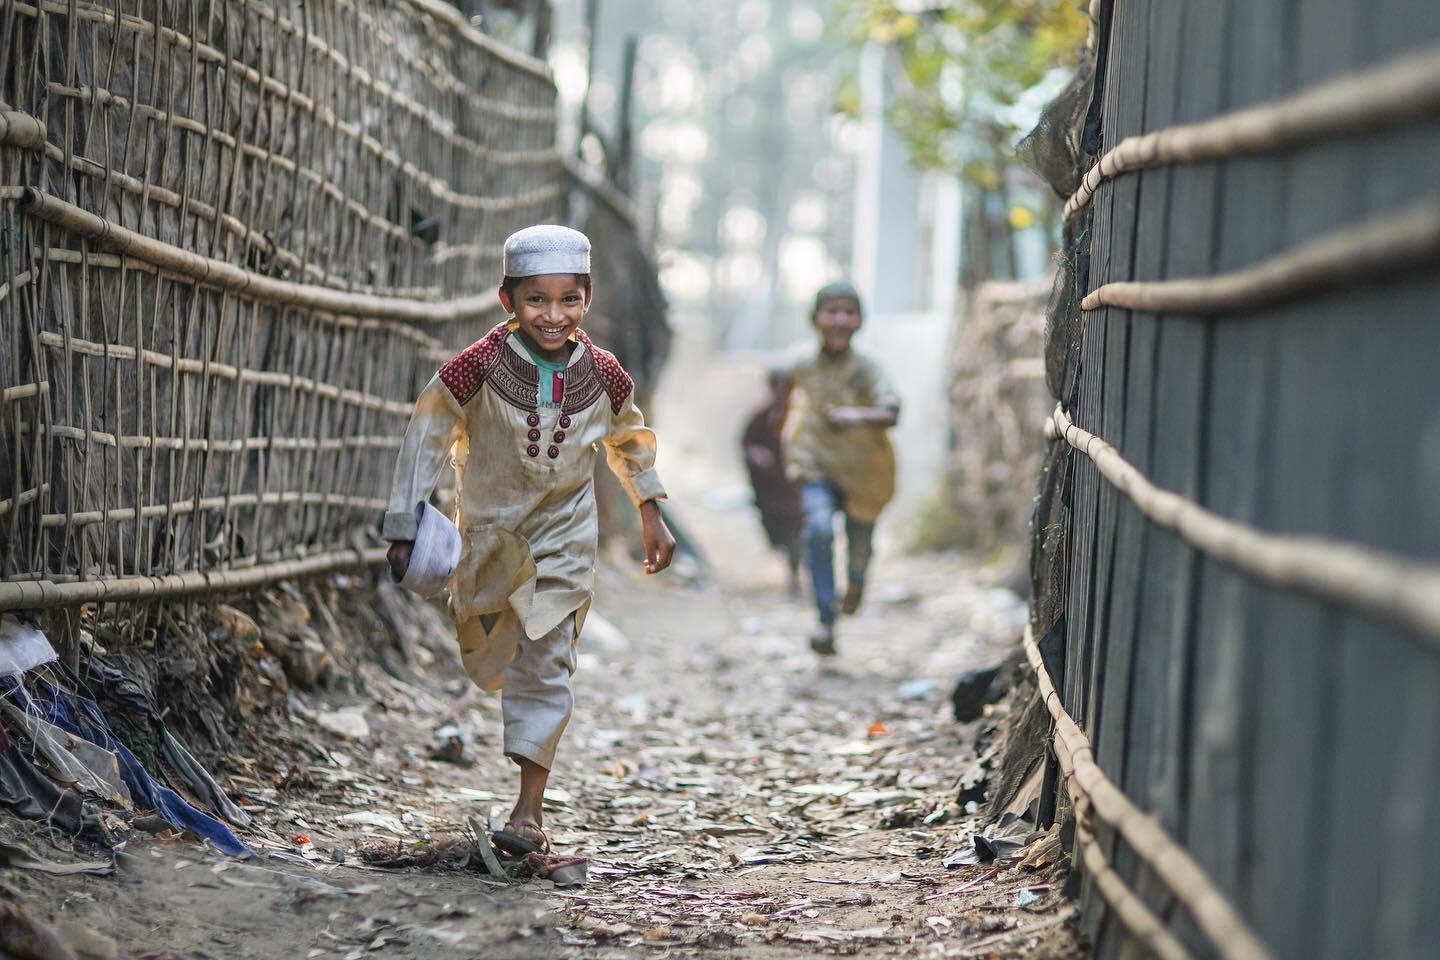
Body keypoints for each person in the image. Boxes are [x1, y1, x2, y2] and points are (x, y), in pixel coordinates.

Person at [382, 224, 675, 851]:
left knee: (547, 662)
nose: (553, 314)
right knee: (498, 653)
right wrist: (405, 524)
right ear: (506, 299)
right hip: (490, 536)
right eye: (536, 299)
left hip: (567, 536)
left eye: (568, 299)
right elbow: (427, 437)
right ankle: (521, 784)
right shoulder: (475, 369)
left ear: (587, 299)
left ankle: (528, 813)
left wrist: (650, 508)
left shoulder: (603, 374)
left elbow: (629, 439)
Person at [781, 281, 899, 656]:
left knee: (859, 547)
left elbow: (892, 410)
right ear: (816, 318)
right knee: (818, 530)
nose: (839, 320)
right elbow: (779, 395)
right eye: (831, 311)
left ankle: (856, 585)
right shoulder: (801, 364)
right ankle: (825, 619)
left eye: (848, 312)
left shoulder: (867, 369)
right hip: (815, 464)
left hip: (864, 472)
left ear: (859, 321)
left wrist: (855, 416)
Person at [740, 368, 804, 594]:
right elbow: (747, 443)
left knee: (796, 531)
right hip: (770, 492)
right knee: (777, 533)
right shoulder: (762, 417)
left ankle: (797, 575)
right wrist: (756, 456)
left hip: (793, 489)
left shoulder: (801, 417)